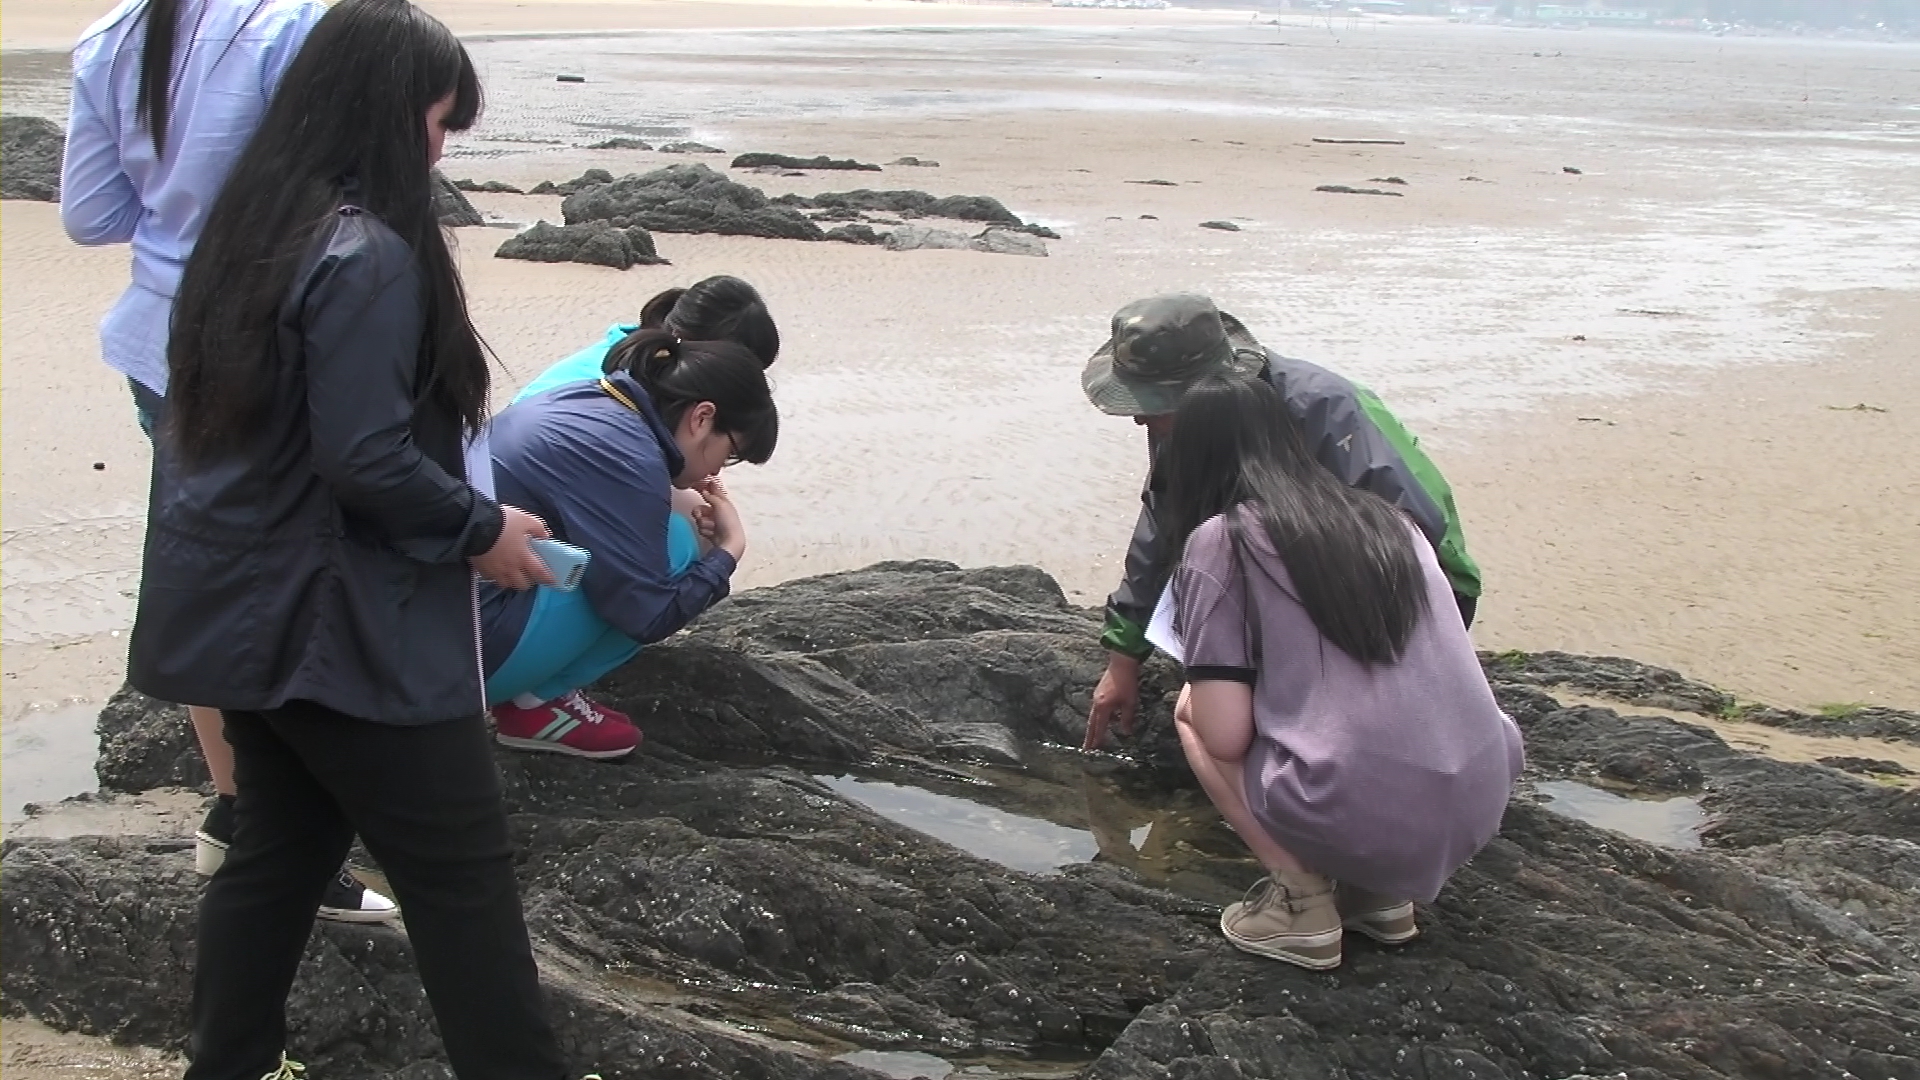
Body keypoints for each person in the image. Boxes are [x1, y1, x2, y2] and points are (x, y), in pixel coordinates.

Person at [127, 1, 583, 1076]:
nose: (439, 149)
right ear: (386, 115)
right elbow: (366, 459)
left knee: (277, 855)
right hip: (351, 634)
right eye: (437, 121)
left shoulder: (246, 235)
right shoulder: (364, 255)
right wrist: (484, 529)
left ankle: (225, 1063)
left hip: (254, 623)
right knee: (462, 883)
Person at [60, 0, 394, 921]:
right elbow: (355, 185)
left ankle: (240, 814)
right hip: (278, 344)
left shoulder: (108, 37)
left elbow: (91, 215)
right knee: (300, 586)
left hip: (160, 345)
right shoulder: (296, 24)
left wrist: (173, 216)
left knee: (207, 577)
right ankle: (284, 836)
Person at [1157, 375, 1522, 970]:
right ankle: (1378, 895)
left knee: (1192, 712)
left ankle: (1301, 904)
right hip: (1480, 794)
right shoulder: (1389, 521)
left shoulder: (1225, 538)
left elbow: (1224, 733)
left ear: (1192, 457)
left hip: (1363, 801)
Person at [1079, 293, 1483, 750]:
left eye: (1152, 405)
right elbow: (1162, 523)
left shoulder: (1326, 406)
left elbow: (1419, 538)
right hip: (1289, 582)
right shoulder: (1179, 425)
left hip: (1401, 594)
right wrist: (1123, 660)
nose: (1138, 419)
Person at [479, 329, 777, 759]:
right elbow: (647, 614)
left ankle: (532, 696)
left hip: (429, 623)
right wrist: (729, 551)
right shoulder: (628, 455)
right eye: (729, 453)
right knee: (681, 545)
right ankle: (535, 705)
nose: (719, 469)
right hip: (463, 662)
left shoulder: (590, 398)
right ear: (702, 418)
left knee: (668, 526)